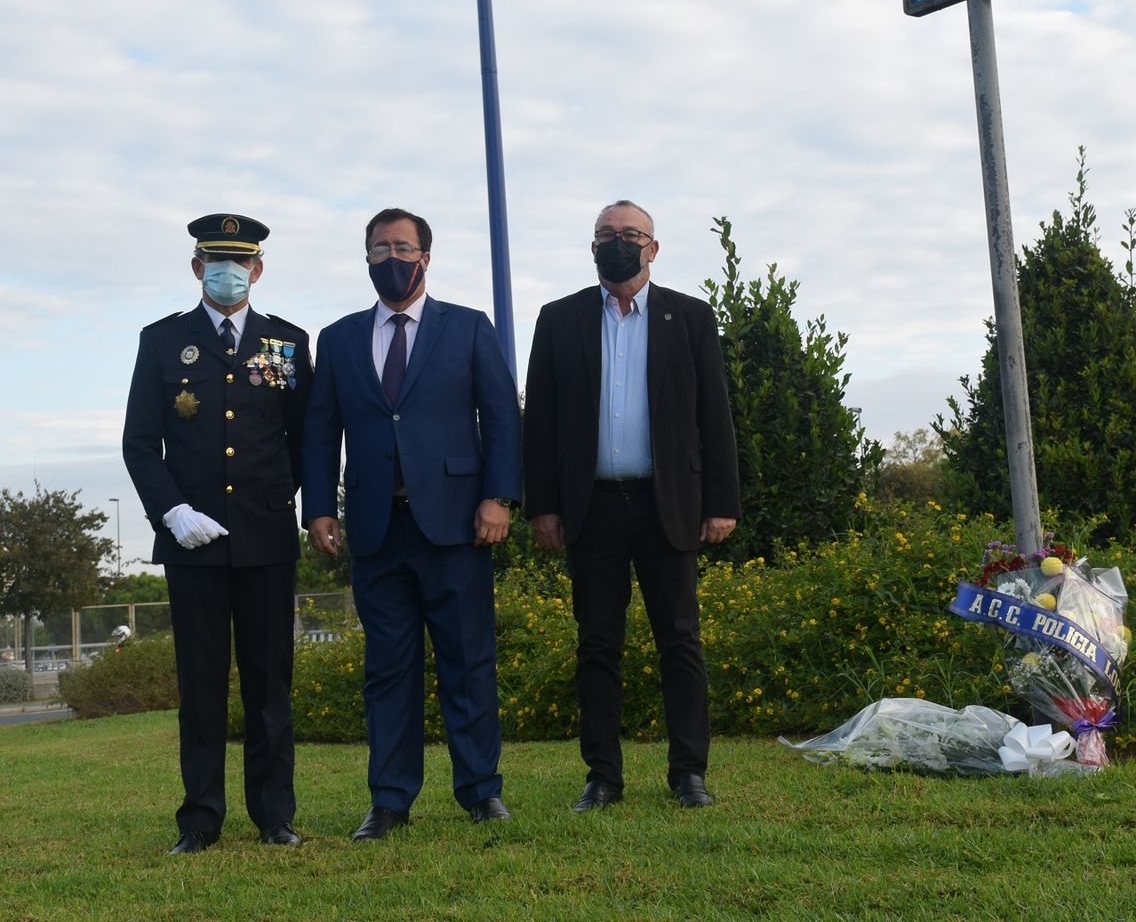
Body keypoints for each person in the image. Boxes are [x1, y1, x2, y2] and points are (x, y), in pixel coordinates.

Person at [301, 208, 520, 840]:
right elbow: (321, 432)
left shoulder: (469, 328)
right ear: (366, 258)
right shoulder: (338, 339)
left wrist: (499, 498)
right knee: (387, 670)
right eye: (379, 248)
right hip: (374, 530)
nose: (390, 257)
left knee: (467, 662)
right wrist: (318, 507)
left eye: (402, 246)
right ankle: (389, 800)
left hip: (456, 526)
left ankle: (481, 790)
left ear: (426, 256)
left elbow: (502, 418)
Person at [522, 200, 740, 811]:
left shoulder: (690, 316)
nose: (617, 244)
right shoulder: (558, 319)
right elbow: (538, 420)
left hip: (667, 502)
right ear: (591, 246)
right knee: (596, 643)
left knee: (680, 638)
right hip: (590, 507)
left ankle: (689, 772)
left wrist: (721, 501)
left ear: (654, 246)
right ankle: (602, 775)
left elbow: (714, 415)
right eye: (605, 236)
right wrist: (542, 504)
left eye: (629, 235)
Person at [121, 213, 310, 854]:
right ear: (198, 268)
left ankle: (274, 817)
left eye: (241, 263)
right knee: (201, 687)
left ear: (257, 270)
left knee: (269, 686)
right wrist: (170, 511)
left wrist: (312, 508)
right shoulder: (162, 341)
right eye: (215, 263)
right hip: (192, 540)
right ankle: (199, 820)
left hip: (265, 538)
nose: (229, 273)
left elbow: (304, 438)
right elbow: (140, 443)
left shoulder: (284, 343)